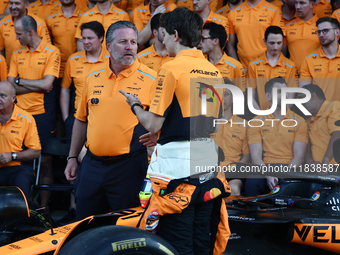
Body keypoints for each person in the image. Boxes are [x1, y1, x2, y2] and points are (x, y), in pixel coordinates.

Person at [120, 7, 230, 255]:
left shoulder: (170, 68)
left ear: (176, 35)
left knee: (175, 243)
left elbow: (152, 123)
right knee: (202, 239)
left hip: (175, 173)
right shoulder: (214, 70)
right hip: (207, 166)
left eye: (164, 35)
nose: (161, 39)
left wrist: (135, 104)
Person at [64, 21, 157, 221]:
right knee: (85, 224)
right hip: (92, 165)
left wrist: (157, 135)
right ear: (108, 45)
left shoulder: (152, 78)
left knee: (124, 230)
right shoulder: (92, 78)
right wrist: (72, 157)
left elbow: (162, 120)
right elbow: (81, 120)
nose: (130, 47)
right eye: (123, 41)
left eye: (133, 42)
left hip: (129, 167)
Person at [8, 15, 60, 207]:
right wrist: (32, 85)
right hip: (18, 114)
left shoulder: (51, 52)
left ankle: (44, 209)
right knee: (19, 165)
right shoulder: (16, 55)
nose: (16, 38)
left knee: (45, 162)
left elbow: (47, 84)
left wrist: (20, 82)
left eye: (19, 34)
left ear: (30, 33)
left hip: (41, 114)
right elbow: (10, 86)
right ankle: (19, 208)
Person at [246, 77, 308, 196]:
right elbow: (255, 157)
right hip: (265, 167)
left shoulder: (299, 121)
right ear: (268, 96)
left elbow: (299, 156)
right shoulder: (256, 121)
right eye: (279, 92)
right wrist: (268, 174)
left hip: (291, 167)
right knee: (252, 182)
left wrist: (285, 174)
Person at [60, 21, 108, 139]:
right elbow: (65, 89)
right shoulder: (73, 60)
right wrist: (67, 118)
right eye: (83, 38)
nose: (85, 42)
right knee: (73, 154)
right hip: (77, 117)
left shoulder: (111, 59)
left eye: (90, 38)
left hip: (103, 118)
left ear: (101, 38)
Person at [0, 81, 41, 200]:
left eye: (2, 96)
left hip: (18, 169)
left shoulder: (26, 119)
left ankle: (23, 216)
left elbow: (36, 151)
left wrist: (12, 156)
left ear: (13, 98)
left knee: (22, 180)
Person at [211, 84, 250, 196]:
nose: (222, 98)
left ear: (233, 98)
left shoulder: (244, 125)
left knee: (233, 188)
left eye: (226, 94)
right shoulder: (207, 123)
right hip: (210, 170)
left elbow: (246, 156)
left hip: (233, 171)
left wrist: (234, 169)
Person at [247, 26, 298, 110]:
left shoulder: (290, 66)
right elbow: (250, 97)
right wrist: (261, 115)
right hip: (262, 116)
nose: (275, 47)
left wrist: (280, 115)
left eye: (279, 43)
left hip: (283, 117)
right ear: (265, 41)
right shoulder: (253, 65)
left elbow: (291, 97)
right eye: (272, 43)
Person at [227, 0, 284, 70]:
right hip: (243, 68)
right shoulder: (233, 12)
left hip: (268, 67)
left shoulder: (274, 11)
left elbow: (279, 43)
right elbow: (230, 45)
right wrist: (238, 67)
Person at [300, 17, 340, 102]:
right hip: (319, 113)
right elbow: (304, 93)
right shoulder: (309, 60)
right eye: (319, 32)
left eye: (325, 31)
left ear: (337, 32)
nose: (321, 35)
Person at [0, 0, 51, 67]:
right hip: (11, 72)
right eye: (11, 3)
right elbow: (1, 50)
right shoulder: (3, 23)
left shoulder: (38, 23)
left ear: (26, 4)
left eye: (17, 3)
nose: (13, 7)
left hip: (32, 71)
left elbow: (47, 50)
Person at [198, 22, 245, 92]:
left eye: (203, 38)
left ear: (215, 41)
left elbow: (240, 96)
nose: (200, 42)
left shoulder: (235, 66)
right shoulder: (198, 64)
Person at [302, 84, 340, 169]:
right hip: (317, 173)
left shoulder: (334, 106)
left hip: (336, 171)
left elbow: (338, 134)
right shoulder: (308, 121)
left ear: (313, 96)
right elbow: (306, 149)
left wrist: (325, 161)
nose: (301, 104)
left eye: (302, 100)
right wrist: (311, 162)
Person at [46, 0, 85, 79]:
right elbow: (46, 46)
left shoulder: (85, 16)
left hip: (78, 69)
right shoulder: (50, 18)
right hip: (56, 70)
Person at [285, 0, 319, 69]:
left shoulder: (322, 26)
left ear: (312, 5)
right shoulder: (287, 26)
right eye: (296, 3)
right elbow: (282, 54)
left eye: (302, 3)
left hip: (316, 74)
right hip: (292, 75)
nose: (297, 7)